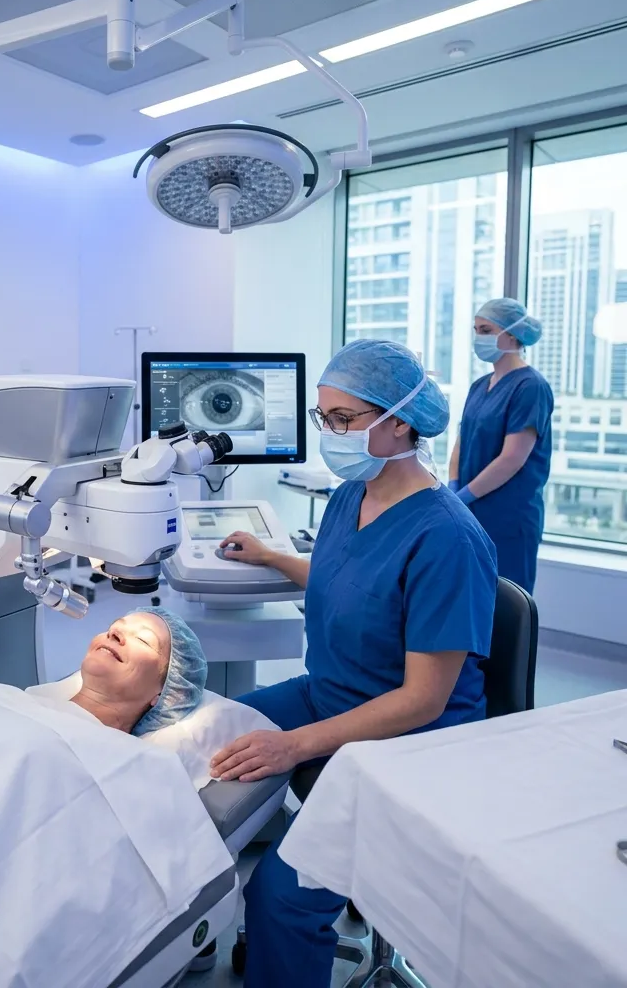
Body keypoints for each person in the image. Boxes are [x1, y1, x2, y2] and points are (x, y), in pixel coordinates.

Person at [208, 339, 497, 988]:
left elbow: (423, 699)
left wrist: (293, 746)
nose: (330, 434)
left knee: (279, 899)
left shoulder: (448, 538)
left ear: (400, 422)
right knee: (200, 737)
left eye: (343, 420)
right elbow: (350, 578)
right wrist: (272, 557)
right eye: (324, 418)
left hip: (409, 743)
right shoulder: (351, 496)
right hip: (329, 693)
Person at [448, 297, 553, 593]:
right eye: (476, 330)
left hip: (509, 519)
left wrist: (464, 496)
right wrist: (453, 487)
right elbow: (461, 441)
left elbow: (512, 460)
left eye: (486, 330)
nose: (478, 338)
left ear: (512, 335)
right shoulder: (479, 386)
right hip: (471, 514)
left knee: (506, 604)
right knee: (471, 599)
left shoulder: (531, 387)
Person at [69, 606, 208, 734]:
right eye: (114, 626)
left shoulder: (134, 753)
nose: (114, 633)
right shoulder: (54, 711)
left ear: (169, 695)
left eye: (143, 639)